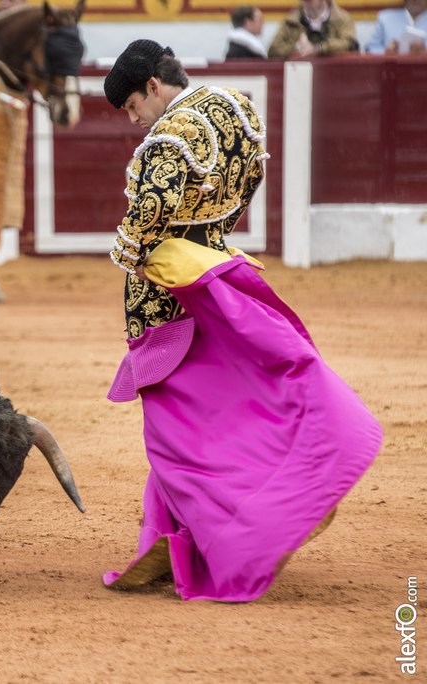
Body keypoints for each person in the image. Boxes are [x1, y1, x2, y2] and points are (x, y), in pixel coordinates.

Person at [100, 39, 381, 602]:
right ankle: (173, 532)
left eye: (132, 106)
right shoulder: (235, 107)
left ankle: (225, 535)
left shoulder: (170, 136)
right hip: (219, 273)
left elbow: (149, 212)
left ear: (153, 87)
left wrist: (128, 251)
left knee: (177, 431)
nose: (135, 120)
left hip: (169, 293)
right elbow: (244, 186)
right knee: (223, 410)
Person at [268, 0, 358, 58]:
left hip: (334, 75)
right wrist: (297, 47)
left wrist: (319, 48)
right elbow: (273, 51)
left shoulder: (343, 19)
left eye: (309, 1)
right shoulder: (291, 20)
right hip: (301, 78)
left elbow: (349, 44)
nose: (304, 4)